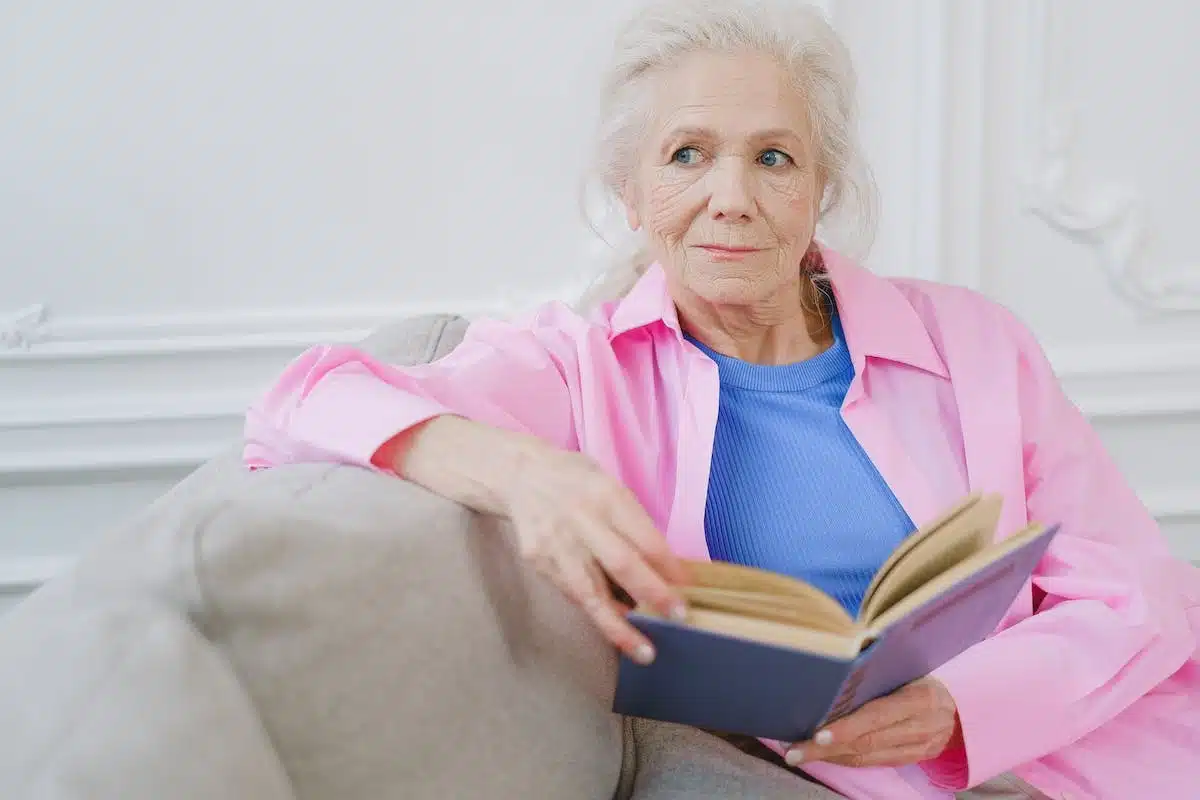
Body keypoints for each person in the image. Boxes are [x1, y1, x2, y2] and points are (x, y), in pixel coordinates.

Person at [243, 1, 1200, 797]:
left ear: (821, 186)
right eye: (688, 154)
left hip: (1078, 755)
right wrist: (522, 472)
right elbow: (302, 402)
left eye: (774, 157)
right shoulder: (580, 366)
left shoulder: (975, 341)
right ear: (631, 190)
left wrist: (963, 705)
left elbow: (1137, 588)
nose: (732, 197)